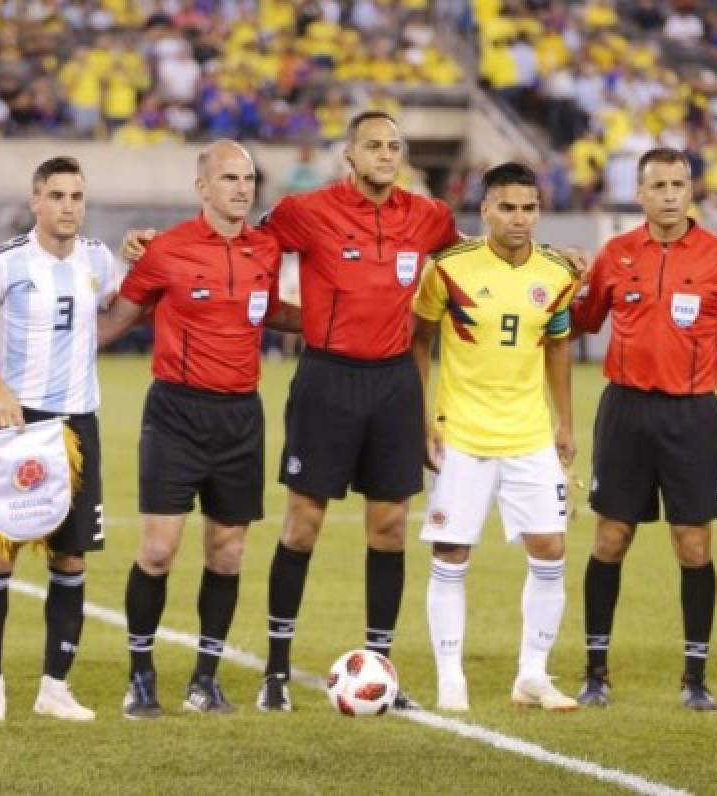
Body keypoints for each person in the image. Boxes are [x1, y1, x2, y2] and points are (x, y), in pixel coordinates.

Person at [125, 112, 461, 711]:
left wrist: (539, 255)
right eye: (374, 146)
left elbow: (473, 260)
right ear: (348, 157)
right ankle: (275, 674)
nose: (386, 155)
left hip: (393, 385)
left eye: (395, 146)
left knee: (389, 531)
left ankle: (381, 671)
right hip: (326, 380)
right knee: (302, 525)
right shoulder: (304, 212)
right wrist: (153, 246)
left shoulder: (427, 216)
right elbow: (239, 241)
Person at [99, 140, 302, 719]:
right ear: (202, 187)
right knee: (159, 550)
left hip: (241, 415)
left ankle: (205, 679)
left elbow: (270, 308)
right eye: (230, 178)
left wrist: (334, 324)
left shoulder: (267, 247)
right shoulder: (166, 250)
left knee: (228, 553)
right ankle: (140, 675)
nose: (242, 187)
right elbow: (118, 317)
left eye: (248, 179)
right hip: (176, 414)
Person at [570, 147, 717, 712]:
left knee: (694, 544)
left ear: (691, 189)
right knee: (611, 539)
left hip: (691, 417)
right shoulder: (616, 254)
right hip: (625, 413)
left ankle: (695, 679)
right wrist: (576, 281)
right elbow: (582, 323)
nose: (668, 194)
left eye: (678, 183)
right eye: (657, 185)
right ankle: (595, 671)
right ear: (640, 194)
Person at [411, 162, 581, 713]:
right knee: (452, 552)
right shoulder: (449, 268)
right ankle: (450, 677)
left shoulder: (558, 273)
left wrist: (565, 422)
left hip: (529, 434)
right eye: (507, 207)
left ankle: (532, 674)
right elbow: (419, 340)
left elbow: (558, 346)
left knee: (550, 549)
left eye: (529, 208)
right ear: (485, 210)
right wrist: (424, 417)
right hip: (462, 433)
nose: (519, 219)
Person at [0, 156, 120, 724]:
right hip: (21, 421)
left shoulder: (99, 259)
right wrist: (0, 393)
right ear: (35, 201)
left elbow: (120, 308)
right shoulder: (3, 263)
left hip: (81, 422)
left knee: (72, 556)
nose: (68, 206)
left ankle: (55, 686)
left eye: (77, 196)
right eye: (57, 195)